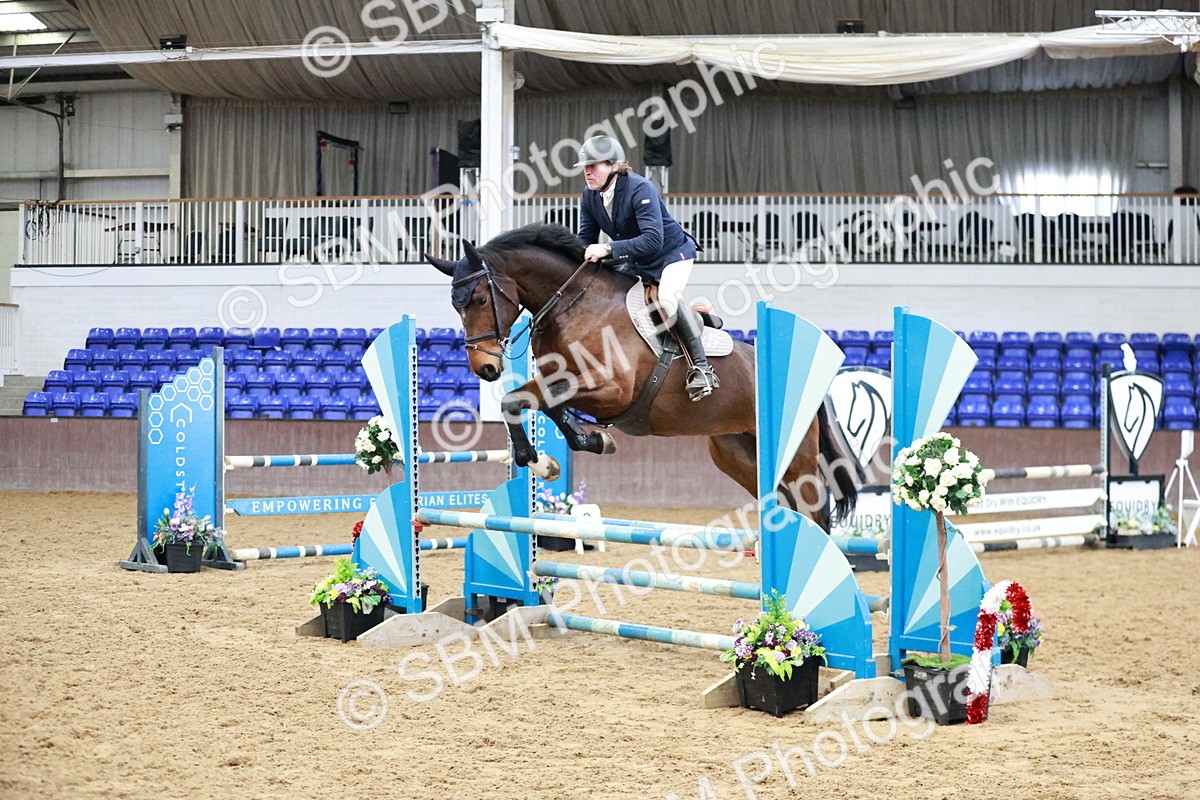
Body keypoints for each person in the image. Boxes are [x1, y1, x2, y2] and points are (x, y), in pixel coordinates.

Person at [574, 134, 718, 401]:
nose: (588, 172)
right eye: (585, 166)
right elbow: (585, 240)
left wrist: (607, 249)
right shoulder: (589, 196)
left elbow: (653, 239)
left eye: (594, 165)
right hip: (637, 260)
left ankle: (702, 369)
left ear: (614, 166)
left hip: (671, 255)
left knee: (665, 298)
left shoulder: (640, 188)